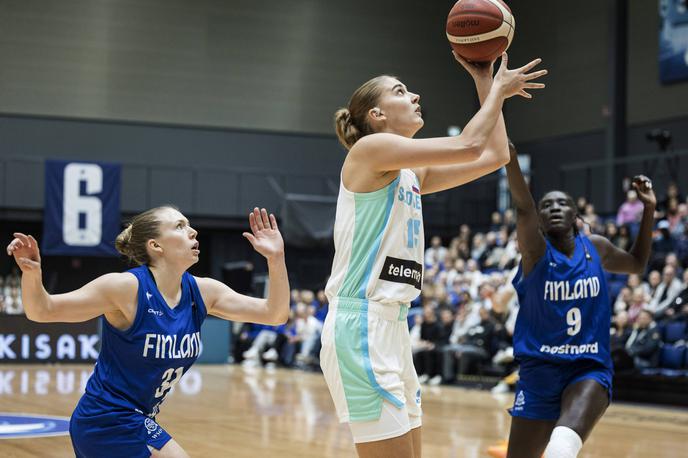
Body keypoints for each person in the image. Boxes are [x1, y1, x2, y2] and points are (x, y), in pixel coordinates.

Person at [319, 51, 547, 458]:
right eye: (401, 91)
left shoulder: (410, 172)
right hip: (362, 325)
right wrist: (496, 91)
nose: (416, 96)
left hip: (395, 327)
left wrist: (484, 81)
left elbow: (494, 155)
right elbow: (468, 142)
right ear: (377, 115)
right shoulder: (369, 152)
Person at [6, 206, 289, 458]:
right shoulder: (125, 288)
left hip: (137, 420)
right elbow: (43, 311)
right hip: (104, 421)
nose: (192, 231)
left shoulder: (203, 292)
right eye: (179, 226)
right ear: (156, 245)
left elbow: (274, 314)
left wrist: (276, 258)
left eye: (188, 224)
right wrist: (32, 274)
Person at [503, 141, 655, 458]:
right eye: (547, 206)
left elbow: (637, 264)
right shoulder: (535, 253)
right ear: (540, 221)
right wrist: (511, 160)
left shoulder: (595, 248)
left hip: (587, 368)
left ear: (575, 215)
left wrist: (649, 210)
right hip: (539, 371)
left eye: (562, 204)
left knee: (562, 447)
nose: (554, 208)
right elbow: (523, 208)